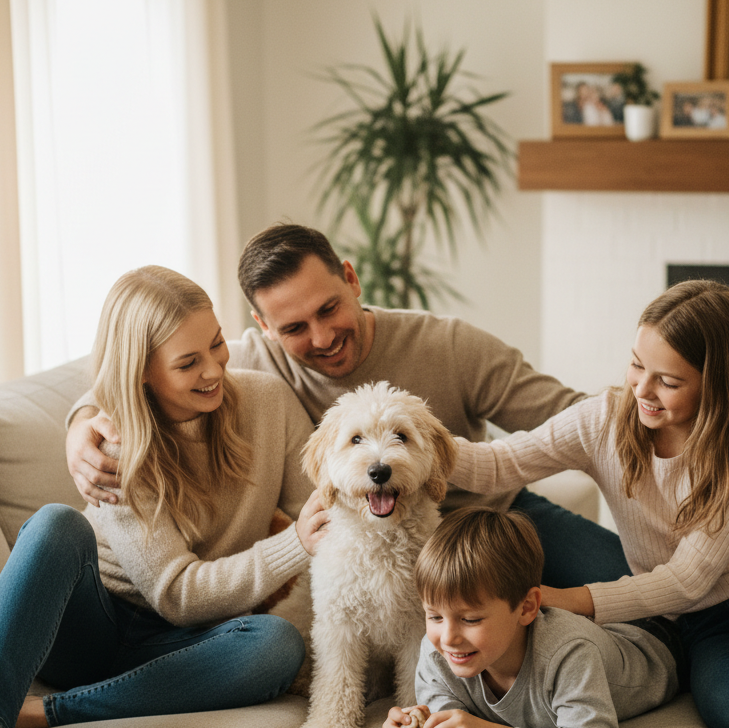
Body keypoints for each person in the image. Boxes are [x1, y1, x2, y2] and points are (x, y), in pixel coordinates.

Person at [66, 223, 630, 589]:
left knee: (631, 582)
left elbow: (578, 417)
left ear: (352, 279)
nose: (322, 337)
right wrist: (84, 425)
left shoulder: (450, 345)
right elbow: (146, 373)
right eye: (294, 327)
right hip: (381, 549)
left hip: (492, 517)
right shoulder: (252, 362)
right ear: (263, 327)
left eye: (330, 308)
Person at [0, 266, 328, 728]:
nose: (214, 370)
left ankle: (50, 712)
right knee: (57, 524)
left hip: (183, 646)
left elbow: (312, 512)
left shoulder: (268, 402)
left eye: (217, 344)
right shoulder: (117, 444)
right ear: (143, 371)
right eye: (187, 363)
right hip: (89, 626)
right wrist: (296, 542)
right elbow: (178, 595)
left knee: (276, 647)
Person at [447, 279, 729, 728]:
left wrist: (568, 600)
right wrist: (411, 445)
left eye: (668, 382)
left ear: (716, 385)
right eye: (636, 366)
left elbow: (689, 578)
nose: (642, 390)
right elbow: (500, 464)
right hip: (702, 621)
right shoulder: (602, 421)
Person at [382, 508, 679, 728]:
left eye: (470, 619)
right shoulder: (437, 656)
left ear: (526, 608)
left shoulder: (568, 652)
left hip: (657, 634)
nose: (448, 638)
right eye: (434, 616)